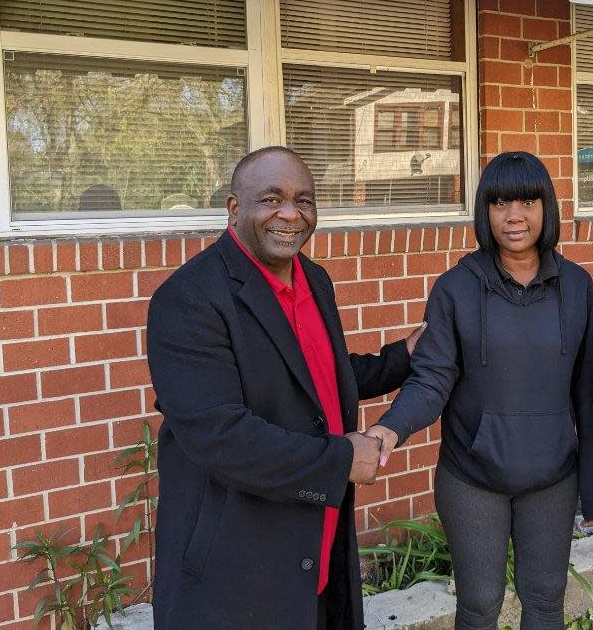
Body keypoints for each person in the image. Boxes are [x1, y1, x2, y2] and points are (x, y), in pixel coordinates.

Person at [147, 146, 425, 630]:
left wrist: (402, 357)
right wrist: (342, 460)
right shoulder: (188, 299)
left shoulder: (313, 280)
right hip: (236, 572)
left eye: (305, 200)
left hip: (314, 552)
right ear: (235, 209)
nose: (291, 214)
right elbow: (220, 437)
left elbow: (317, 378)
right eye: (271, 199)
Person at [366, 151, 593, 630]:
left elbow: (589, 392)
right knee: (478, 604)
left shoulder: (577, 286)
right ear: (485, 211)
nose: (513, 216)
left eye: (526, 202)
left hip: (552, 476)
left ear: (547, 207)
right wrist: (390, 429)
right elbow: (432, 375)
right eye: (499, 203)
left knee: (545, 600)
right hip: (472, 479)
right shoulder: (456, 288)